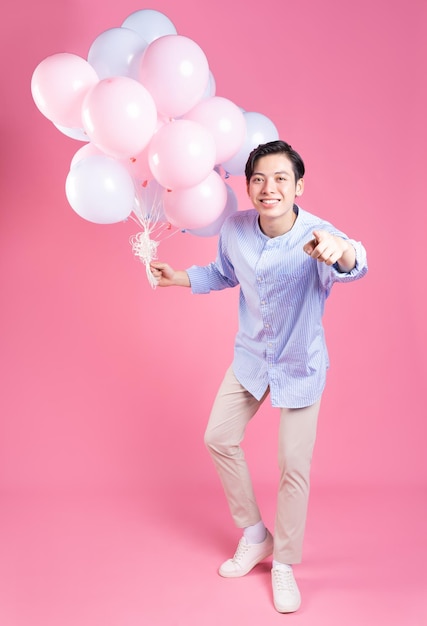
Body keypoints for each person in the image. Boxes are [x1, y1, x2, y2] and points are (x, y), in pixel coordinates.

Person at [150, 140, 368, 613]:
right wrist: (179, 277)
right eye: (258, 179)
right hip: (250, 358)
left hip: (299, 364)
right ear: (248, 185)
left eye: (280, 179)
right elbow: (223, 273)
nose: (268, 188)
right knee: (218, 437)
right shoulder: (235, 229)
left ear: (299, 186)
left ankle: (285, 562)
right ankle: (256, 535)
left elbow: (354, 262)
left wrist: (341, 250)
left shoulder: (318, 235)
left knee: (294, 465)